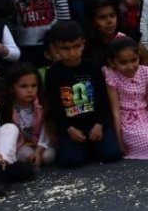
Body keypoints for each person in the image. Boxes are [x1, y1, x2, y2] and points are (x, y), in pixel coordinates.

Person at [41, 20, 121, 168]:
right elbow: (55, 105)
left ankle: (92, 145)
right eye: (65, 48)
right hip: (72, 126)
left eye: (76, 46)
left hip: (95, 122)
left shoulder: (93, 67)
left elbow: (102, 99)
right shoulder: (53, 73)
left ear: (83, 44)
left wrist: (99, 124)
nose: (72, 53)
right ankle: (83, 147)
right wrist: (68, 128)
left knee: (112, 154)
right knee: (71, 161)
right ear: (55, 48)